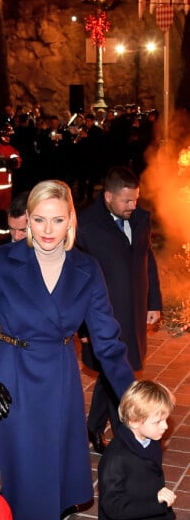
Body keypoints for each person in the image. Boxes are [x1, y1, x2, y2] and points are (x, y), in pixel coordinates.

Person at [0, 180, 135, 520]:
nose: (48, 230)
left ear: (71, 220)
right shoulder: (2, 260)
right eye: (39, 219)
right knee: (12, 467)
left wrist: (134, 398)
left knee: (48, 461)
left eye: (58, 220)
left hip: (57, 375)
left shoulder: (86, 269)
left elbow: (107, 341)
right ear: (27, 220)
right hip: (8, 374)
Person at [76, 166, 163, 454]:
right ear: (108, 196)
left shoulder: (140, 219)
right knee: (116, 369)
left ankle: (93, 427)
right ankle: (124, 437)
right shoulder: (86, 224)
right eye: (126, 201)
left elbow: (146, 259)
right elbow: (77, 278)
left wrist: (153, 302)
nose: (132, 206)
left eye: (135, 199)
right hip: (103, 314)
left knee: (114, 368)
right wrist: (83, 327)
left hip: (134, 309)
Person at [98, 380, 176, 520]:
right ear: (134, 421)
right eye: (158, 421)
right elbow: (113, 506)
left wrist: (168, 515)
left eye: (166, 419)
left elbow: (157, 484)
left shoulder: (151, 441)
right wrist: (156, 501)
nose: (165, 426)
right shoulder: (116, 458)